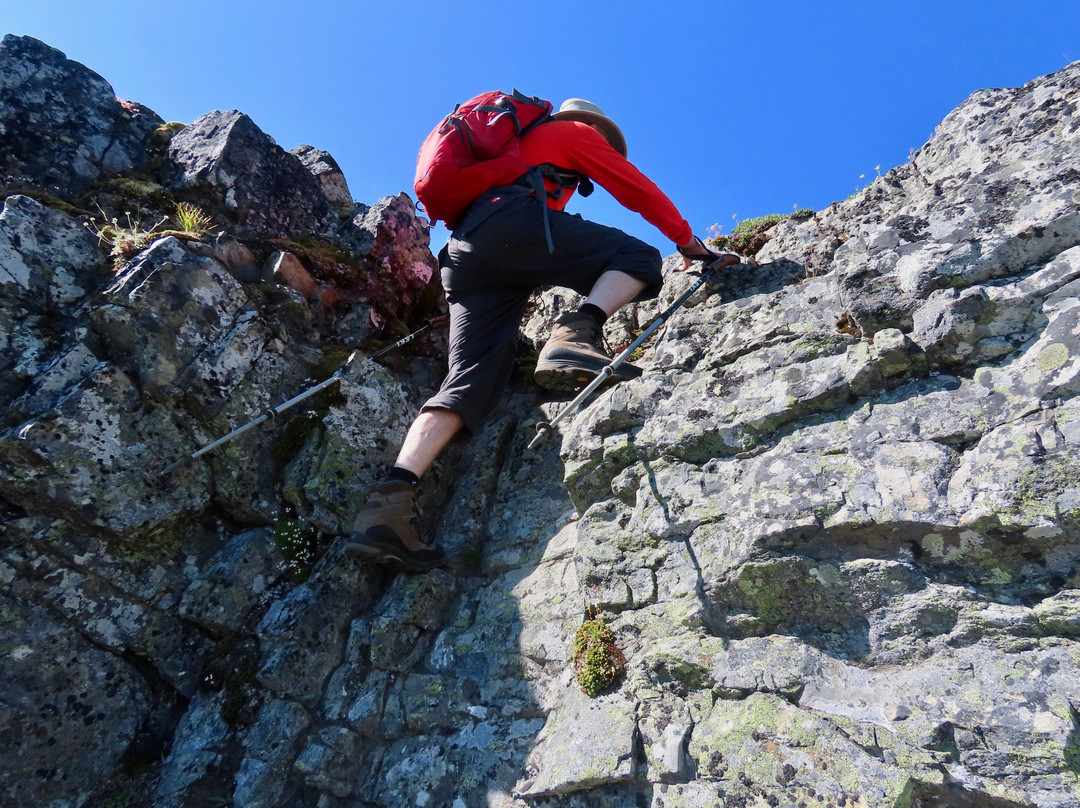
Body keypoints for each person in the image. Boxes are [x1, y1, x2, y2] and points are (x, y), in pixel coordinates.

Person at [344, 97, 733, 570]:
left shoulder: (513, 154)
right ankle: (575, 332)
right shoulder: (575, 134)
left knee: (467, 379)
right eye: (608, 141)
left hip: (465, 254)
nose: (607, 150)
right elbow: (636, 190)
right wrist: (692, 245)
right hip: (511, 223)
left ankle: (388, 505)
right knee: (638, 257)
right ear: (591, 126)